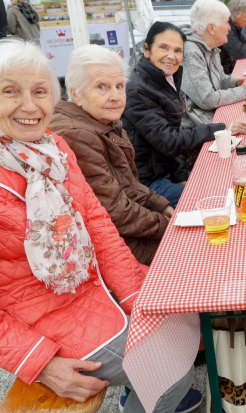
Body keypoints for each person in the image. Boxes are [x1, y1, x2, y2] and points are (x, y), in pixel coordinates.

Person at [0, 38, 201, 413]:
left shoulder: (53, 149)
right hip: (40, 322)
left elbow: (99, 226)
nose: (30, 106)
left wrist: (137, 294)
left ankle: (144, 396)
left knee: (187, 317)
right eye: (10, 92)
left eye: (40, 91)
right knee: (170, 371)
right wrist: (42, 363)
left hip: (93, 291)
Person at [50, 45, 173, 266]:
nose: (116, 96)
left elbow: (130, 186)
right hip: (110, 247)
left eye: (119, 86)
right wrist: (166, 224)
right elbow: (115, 212)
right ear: (76, 94)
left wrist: (162, 206)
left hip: (125, 230)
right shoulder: (77, 135)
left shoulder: (103, 122)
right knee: (196, 250)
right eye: (102, 87)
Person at [123, 22, 246, 207]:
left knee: (228, 183)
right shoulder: (138, 90)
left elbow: (173, 131)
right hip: (148, 183)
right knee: (221, 200)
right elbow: (169, 141)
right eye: (163, 47)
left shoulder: (166, 78)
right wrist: (221, 128)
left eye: (177, 50)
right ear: (146, 50)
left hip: (166, 171)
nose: (171, 56)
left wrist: (180, 175)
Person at [181, 0, 246, 127]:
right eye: (226, 23)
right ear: (211, 28)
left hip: (209, 118)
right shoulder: (191, 52)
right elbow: (207, 99)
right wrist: (244, 90)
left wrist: (236, 82)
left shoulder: (210, 48)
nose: (229, 28)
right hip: (197, 128)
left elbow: (220, 80)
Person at [221, 0, 246, 74]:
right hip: (224, 74)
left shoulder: (235, 27)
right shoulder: (227, 28)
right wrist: (241, 48)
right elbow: (240, 53)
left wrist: (242, 48)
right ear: (235, 15)